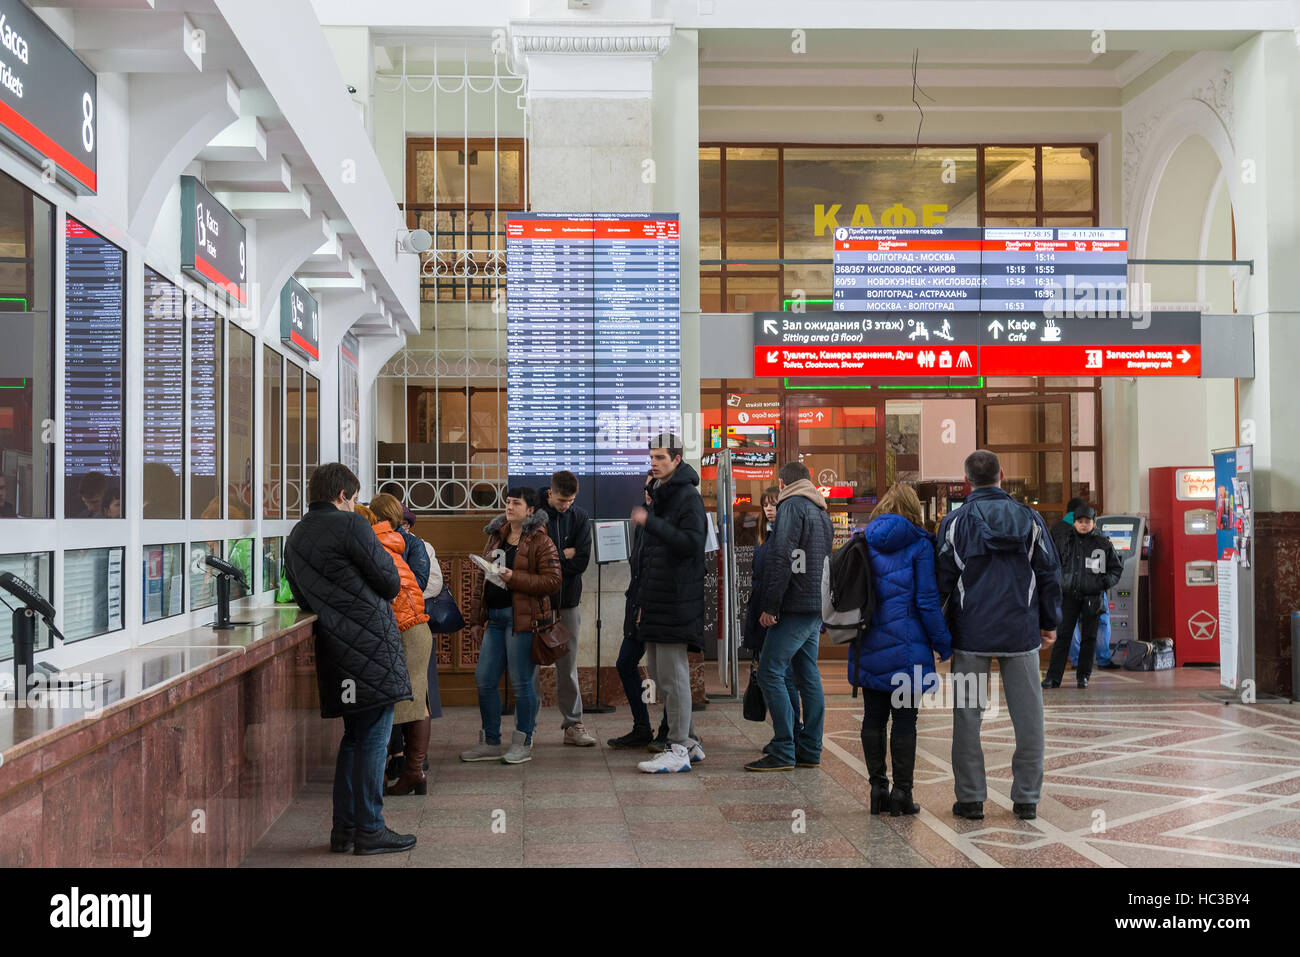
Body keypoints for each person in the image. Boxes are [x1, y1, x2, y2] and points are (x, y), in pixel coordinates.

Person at [283, 463, 416, 855]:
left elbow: (303, 598)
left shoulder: (296, 536)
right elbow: (390, 581)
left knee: (353, 738)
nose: (355, 504)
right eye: (354, 498)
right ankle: (371, 829)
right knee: (374, 736)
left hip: (336, 651)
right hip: (372, 647)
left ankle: (344, 830)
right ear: (343, 495)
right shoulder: (352, 525)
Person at [936, 450, 1061, 822]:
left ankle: (971, 799)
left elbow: (941, 582)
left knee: (967, 717)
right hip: (1021, 633)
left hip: (970, 633)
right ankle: (1026, 800)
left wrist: (939, 633)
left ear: (966, 482)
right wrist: (1049, 621)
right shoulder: (1030, 519)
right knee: (1029, 718)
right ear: (1002, 475)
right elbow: (1050, 573)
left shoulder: (955, 523)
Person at [854, 484, 952, 815]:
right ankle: (902, 794)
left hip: (869, 641)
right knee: (905, 721)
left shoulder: (865, 541)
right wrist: (943, 642)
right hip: (908, 649)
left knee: (873, 717)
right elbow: (926, 601)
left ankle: (877, 789)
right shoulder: (920, 544)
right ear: (914, 510)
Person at [460, 488, 561, 765]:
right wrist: (476, 620)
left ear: (530, 510)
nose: (510, 507)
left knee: (521, 682)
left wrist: (514, 577)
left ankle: (523, 742)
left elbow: (552, 582)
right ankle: (491, 741)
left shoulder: (540, 540)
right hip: (494, 619)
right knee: (484, 679)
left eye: (517, 503)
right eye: (507, 502)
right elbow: (482, 582)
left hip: (523, 621)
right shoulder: (497, 536)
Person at [745, 461, 833, 772]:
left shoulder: (791, 507)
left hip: (793, 605)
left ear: (782, 484)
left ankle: (783, 748)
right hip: (813, 605)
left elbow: (783, 556)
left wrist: (771, 606)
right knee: (807, 674)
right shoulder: (821, 511)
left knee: (769, 671)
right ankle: (810, 747)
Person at [632, 435, 708, 773]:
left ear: (677, 460)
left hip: (676, 600)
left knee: (674, 677)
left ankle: (677, 747)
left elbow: (692, 544)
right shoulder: (661, 496)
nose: (654, 462)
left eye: (661, 457)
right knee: (662, 677)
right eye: (652, 457)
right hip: (656, 600)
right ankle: (689, 741)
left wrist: (653, 522)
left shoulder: (688, 497)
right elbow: (650, 557)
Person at [365, 493, 435, 795]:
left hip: (405, 630)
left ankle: (407, 772)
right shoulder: (393, 545)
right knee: (415, 703)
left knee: (399, 704)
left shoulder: (377, 548)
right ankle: (412, 773)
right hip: (416, 628)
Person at [742, 485, 803, 753]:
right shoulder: (766, 536)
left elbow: (780, 577)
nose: (769, 508)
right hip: (763, 612)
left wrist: (772, 609)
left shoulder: (784, 536)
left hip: (774, 615)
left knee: (783, 675)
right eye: (765, 504)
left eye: (774, 504)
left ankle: (792, 732)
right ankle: (790, 731)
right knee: (778, 674)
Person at [538, 470, 595, 747]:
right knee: (531, 666)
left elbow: (582, 561)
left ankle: (573, 723)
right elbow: (533, 560)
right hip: (538, 603)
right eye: (562, 500)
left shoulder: (580, 518)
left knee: (568, 666)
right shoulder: (536, 516)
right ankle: (528, 727)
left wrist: (553, 560)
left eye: (570, 500)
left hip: (568, 602)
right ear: (550, 493)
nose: (566, 506)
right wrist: (563, 555)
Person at [1042, 505, 1123, 689]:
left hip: (1092, 597)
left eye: (1087, 522)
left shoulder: (1103, 543)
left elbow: (1116, 568)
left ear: (1094, 523)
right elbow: (1053, 565)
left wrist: (1103, 583)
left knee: (1090, 637)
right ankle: (1053, 678)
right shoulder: (1064, 542)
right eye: (1080, 522)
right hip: (1069, 596)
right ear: (1075, 523)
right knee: (1063, 636)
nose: (1084, 525)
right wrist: (1059, 583)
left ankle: (1083, 676)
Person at [608, 471, 659, 750]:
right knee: (625, 663)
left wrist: (644, 606)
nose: (648, 492)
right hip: (638, 606)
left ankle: (674, 732)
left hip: (655, 609)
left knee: (666, 673)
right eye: (646, 487)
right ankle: (642, 726)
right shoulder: (643, 524)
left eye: (653, 487)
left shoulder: (663, 523)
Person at [1054, 498, 1117, 670]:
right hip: (1094, 588)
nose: (1083, 524)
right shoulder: (1098, 537)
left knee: (1070, 626)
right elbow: (1114, 566)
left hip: (1068, 589)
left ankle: (1076, 660)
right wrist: (1104, 582)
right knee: (1101, 622)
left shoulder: (1057, 530)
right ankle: (1102, 659)